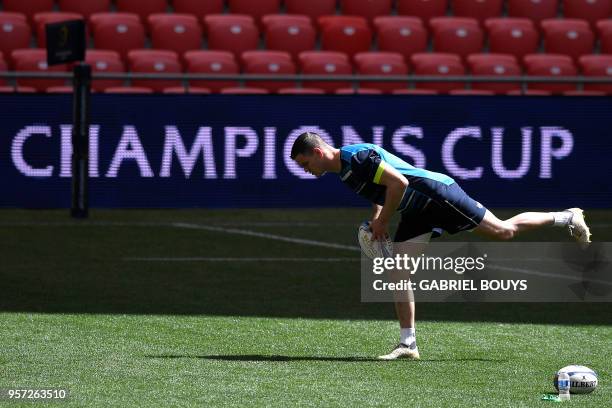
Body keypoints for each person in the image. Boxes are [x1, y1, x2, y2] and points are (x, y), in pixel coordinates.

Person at [290, 132, 591, 360]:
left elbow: (399, 184)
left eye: (305, 163)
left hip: (437, 195)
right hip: (416, 210)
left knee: (503, 231)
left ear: (317, 152)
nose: (305, 170)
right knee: (398, 272)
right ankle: (408, 343)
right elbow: (380, 195)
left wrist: (382, 223)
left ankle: (565, 217)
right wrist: (377, 220)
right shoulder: (343, 172)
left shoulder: (357, 158)